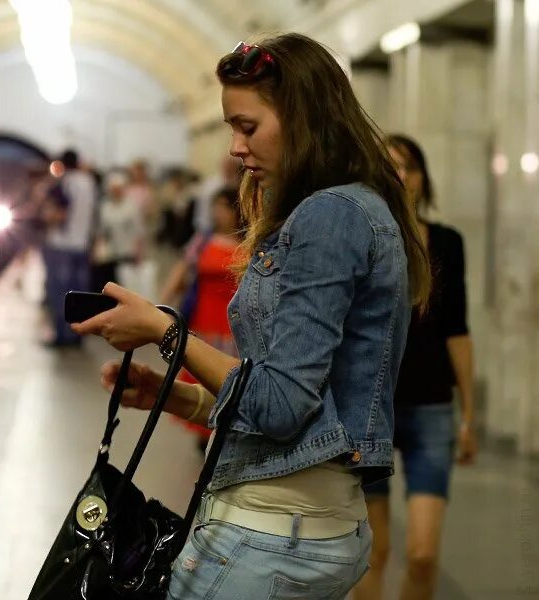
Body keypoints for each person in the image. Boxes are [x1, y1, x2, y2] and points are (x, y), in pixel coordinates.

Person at [71, 33, 431, 598]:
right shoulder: (353, 208)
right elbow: (300, 399)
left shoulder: (328, 217)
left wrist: (167, 332)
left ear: (304, 120)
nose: (236, 148)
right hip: (300, 524)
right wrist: (179, 393)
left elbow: (281, 407)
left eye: (248, 126)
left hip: (269, 535)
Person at [353, 135, 477, 600]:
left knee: (423, 554)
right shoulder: (361, 238)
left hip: (431, 408)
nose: (401, 176)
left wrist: (469, 416)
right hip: (371, 412)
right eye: (391, 166)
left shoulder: (447, 242)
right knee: (375, 551)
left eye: (411, 167)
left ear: (424, 178)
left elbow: (458, 331)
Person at [163, 187, 245, 451]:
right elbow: (183, 268)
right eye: (216, 206)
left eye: (224, 207)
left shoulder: (251, 241)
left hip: (234, 323)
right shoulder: (204, 239)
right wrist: (162, 302)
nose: (218, 213)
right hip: (204, 317)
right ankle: (204, 432)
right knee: (201, 372)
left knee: (229, 375)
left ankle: (228, 429)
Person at [42, 149, 97, 348]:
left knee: (60, 293)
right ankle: (79, 335)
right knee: (81, 294)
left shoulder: (66, 182)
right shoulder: (89, 182)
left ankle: (61, 335)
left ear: (63, 164)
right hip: (82, 245)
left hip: (62, 245)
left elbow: (60, 213)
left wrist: (46, 217)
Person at [90, 172, 146, 293]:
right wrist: (96, 250)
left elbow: (139, 231)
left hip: (127, 253)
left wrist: (139, 252)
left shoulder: (131, 206)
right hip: (108, 255)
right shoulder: (104, 206)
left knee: (124, 287)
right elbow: (99, 230)